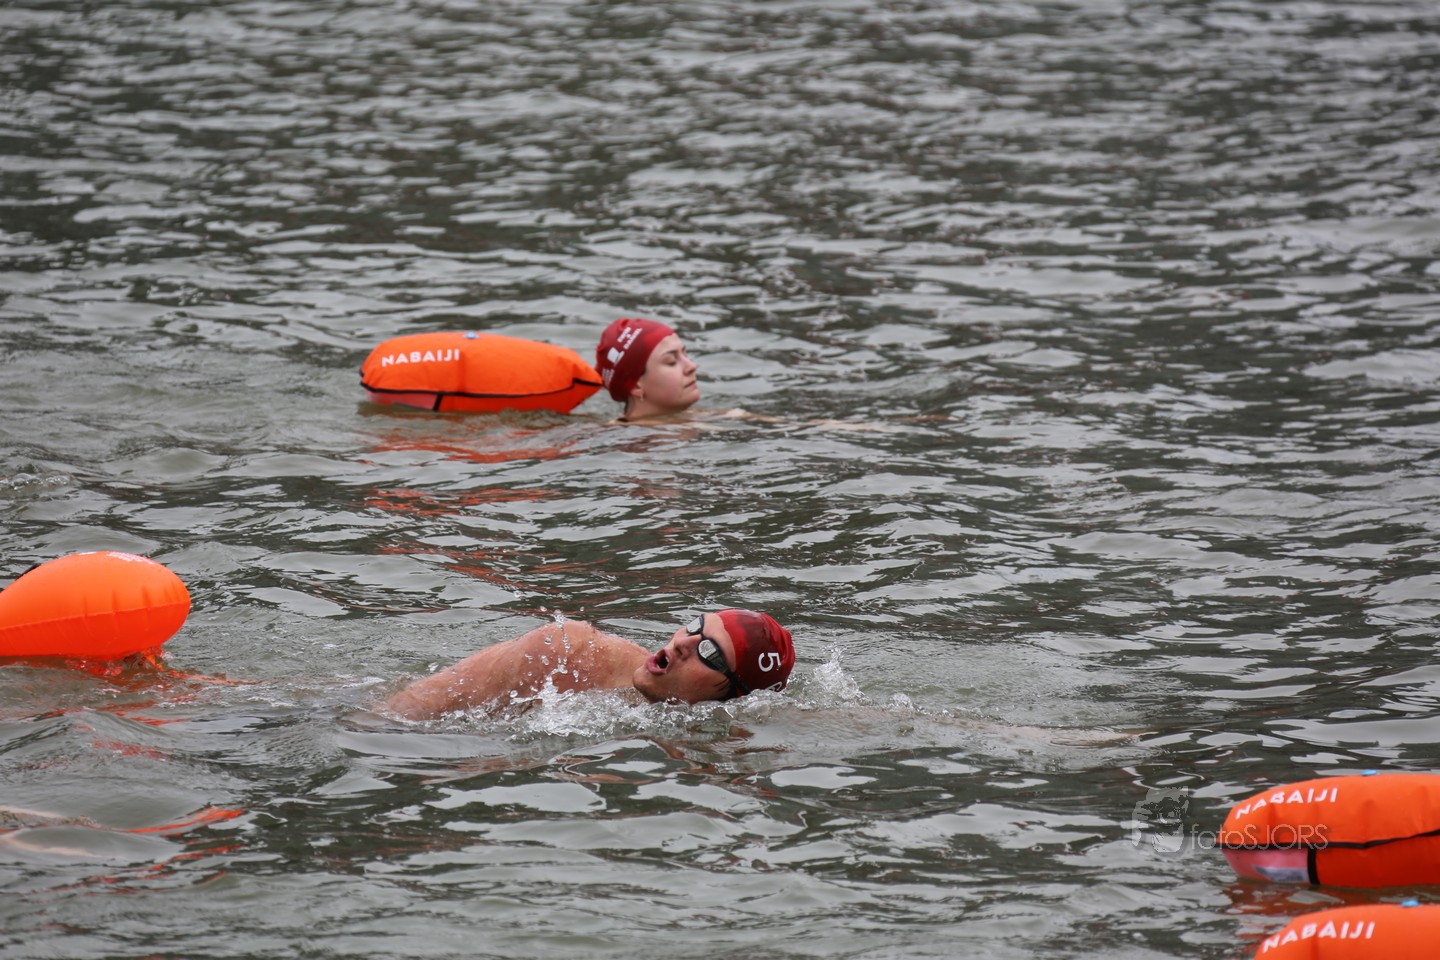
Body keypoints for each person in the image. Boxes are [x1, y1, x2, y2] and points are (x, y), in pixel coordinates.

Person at [384, 608, 796, 720]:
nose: (684, 642)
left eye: (710, 653)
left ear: (736, 698)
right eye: (694, 626)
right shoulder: (568, 651)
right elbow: (389, 719)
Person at [594, 317, 701, 422]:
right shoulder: (621, 433)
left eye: (685, 354)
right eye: (671, 362)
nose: (692, 366)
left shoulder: (694, 417)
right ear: (635, 386)